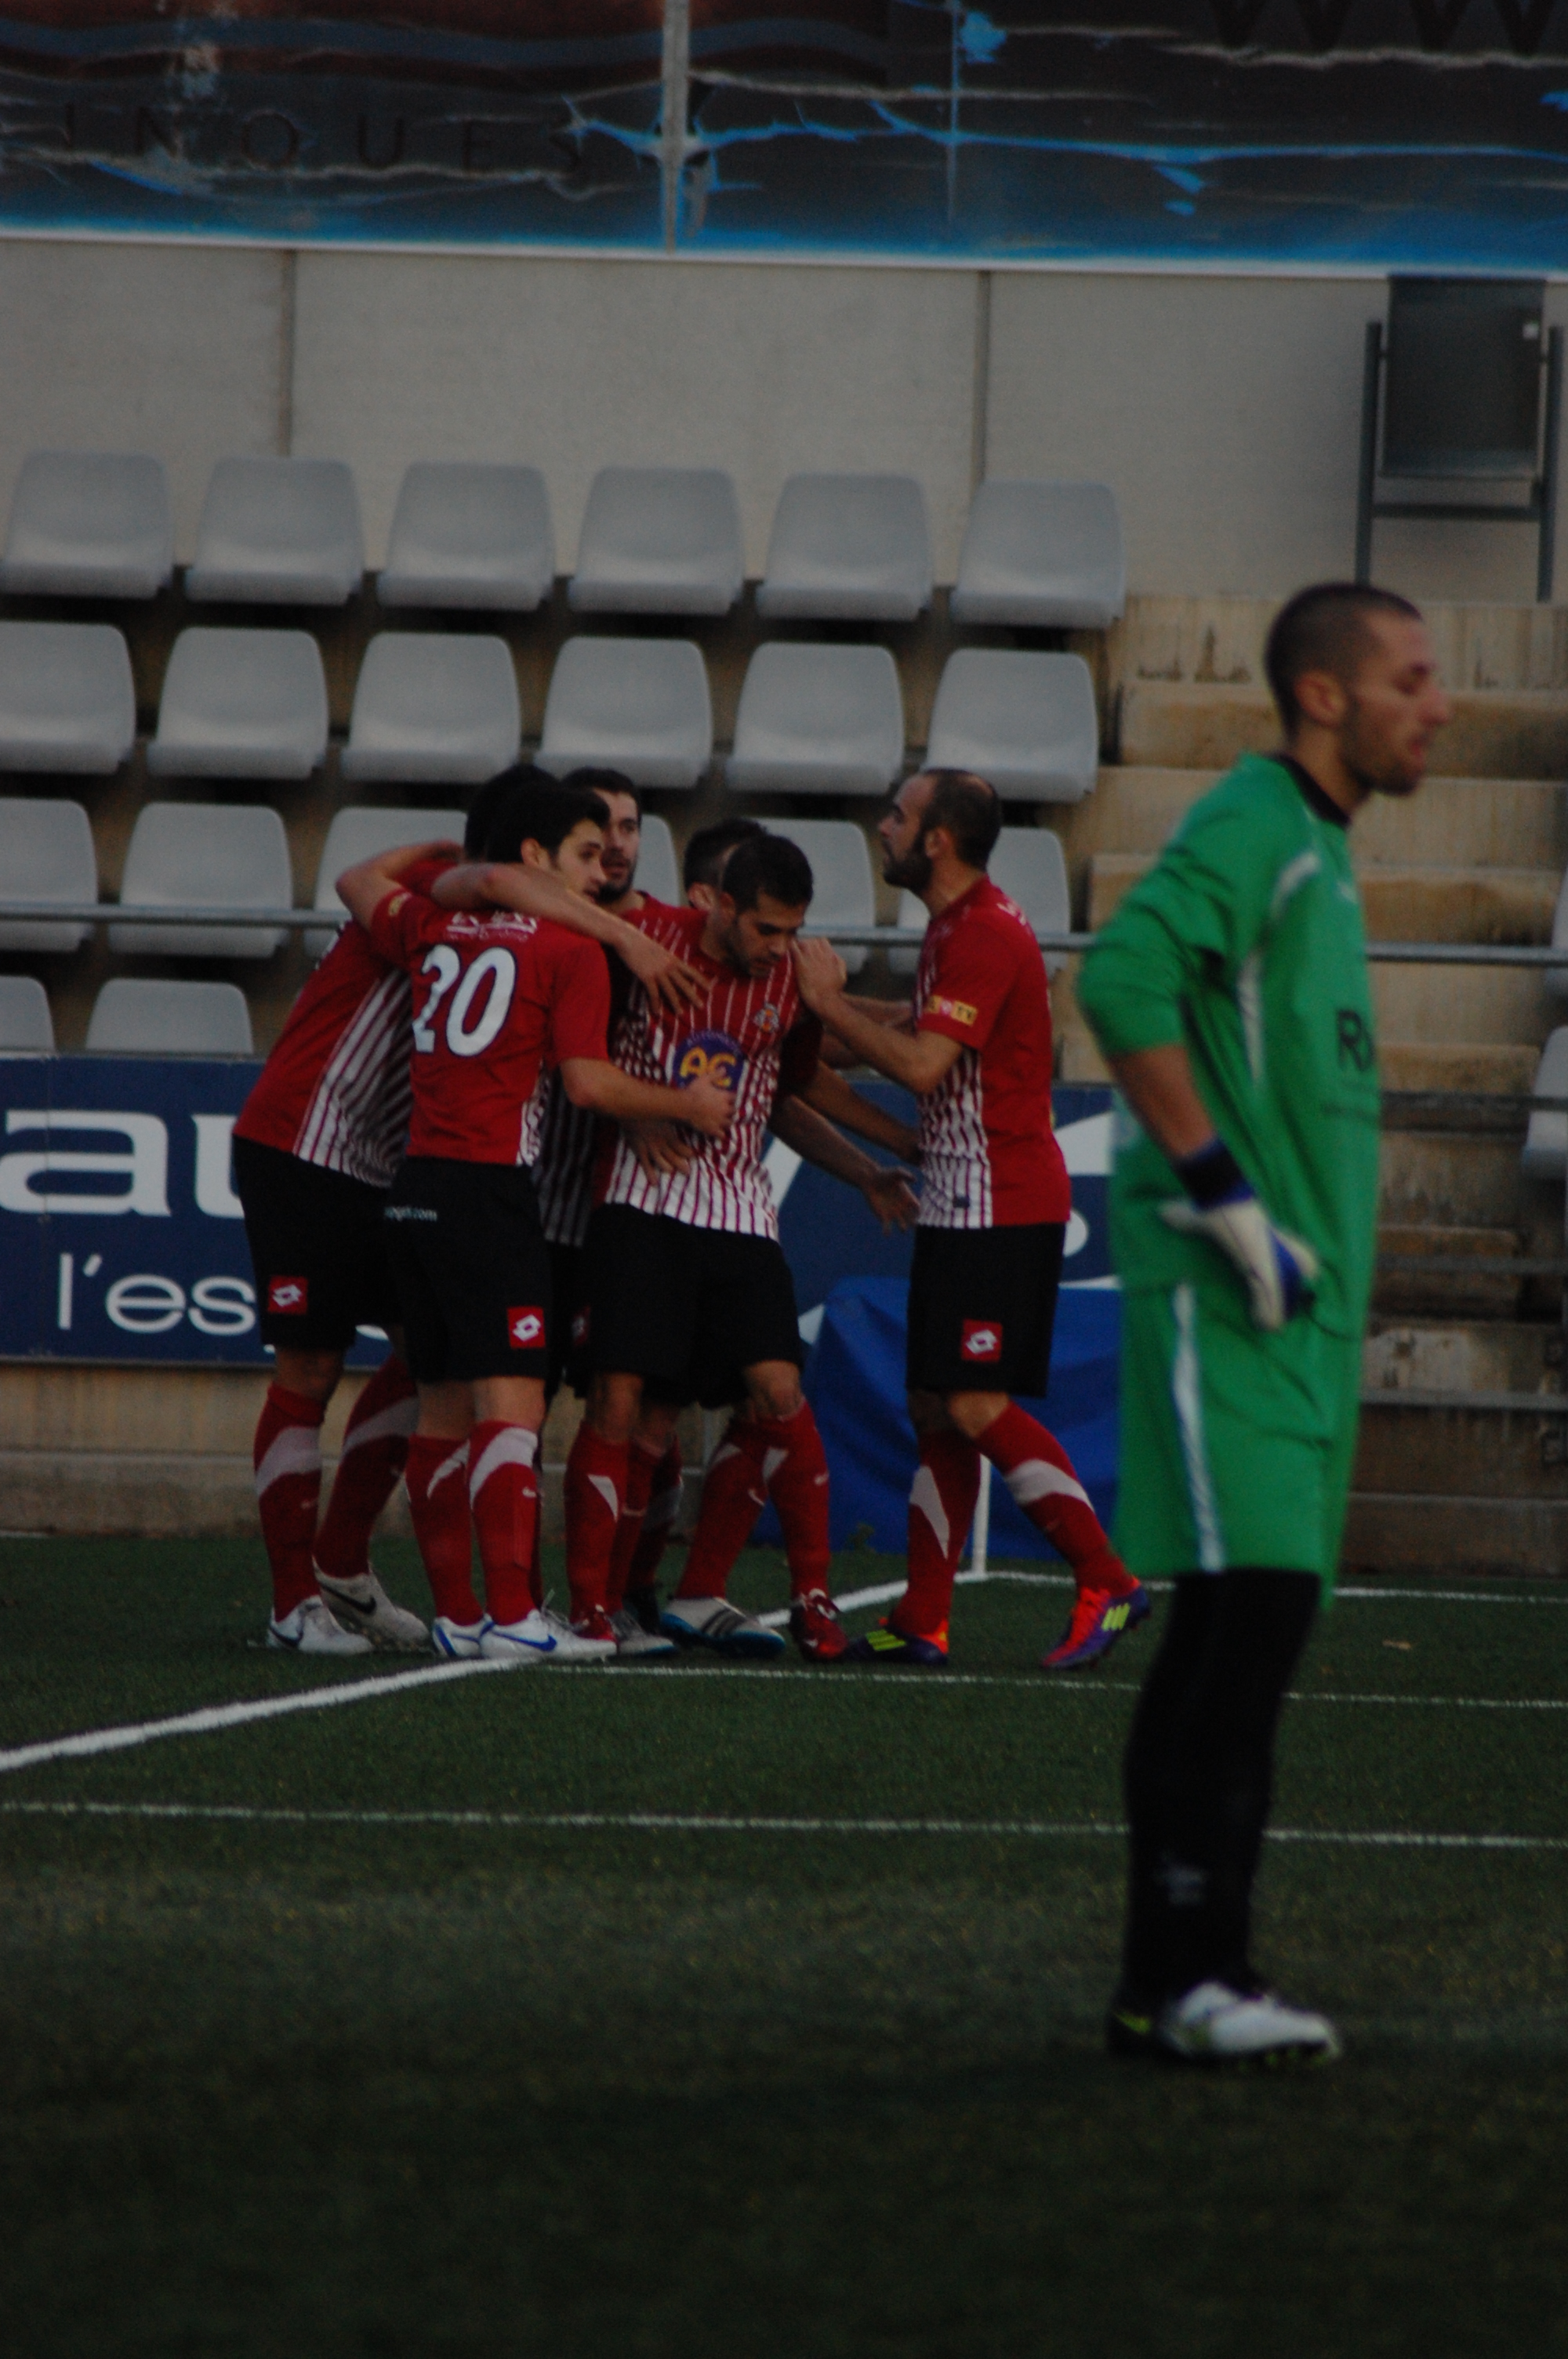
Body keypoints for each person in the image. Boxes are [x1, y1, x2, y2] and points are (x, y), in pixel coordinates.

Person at [1076, 582, 1450, 2066]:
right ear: (1323, 696)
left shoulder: (1320, 853)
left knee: (1251, 1629)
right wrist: (1229, 1204)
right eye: (1412, 678)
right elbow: (1122, 976)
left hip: (1293, 1336)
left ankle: (1182, 1976)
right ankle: (1183, 1976)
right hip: (1225, 1312)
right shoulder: (1257, 822)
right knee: (1240, 1633)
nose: (1438, 704)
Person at [335, 784, 734, 1667]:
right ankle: (513, 1610)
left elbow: (357, 881)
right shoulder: (571, 947)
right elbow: (588, 1084)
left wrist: (443, 859)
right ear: (534, 858)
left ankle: (461, 1615)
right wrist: (685, 1102)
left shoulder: (430, 927)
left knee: (440, 1410)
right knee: (509, 1408)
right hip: (489, 1194)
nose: (603, 872)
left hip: (413, 1189)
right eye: (587, 854)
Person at [794, 769, 1147, 1670]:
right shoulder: (955, 927)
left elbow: (918, 1064)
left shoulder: (982, 933)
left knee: (972, 1401)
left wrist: (826, 1002)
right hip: (963, 1199)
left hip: (1002, 1201)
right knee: (932, 1408)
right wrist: (813, 1014)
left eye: (898, 816)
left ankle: (1106, 1578)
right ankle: (922, 1616)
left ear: (938, 839)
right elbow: (914, 1030)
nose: (881, 828)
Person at [567, 831, 906, 1663]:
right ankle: (592, 1609)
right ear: (716, 904)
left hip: (738, 1211)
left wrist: (873, 1164)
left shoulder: (791, 982)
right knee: (624, 1409)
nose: (776, 948)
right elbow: (573, 1048)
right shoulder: (645, 941)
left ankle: (810, 1599)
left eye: (790, 931)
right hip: (639, 1202)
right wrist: (644, 1106)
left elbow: (788, 1091)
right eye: (764, 930)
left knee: (779, 1393)